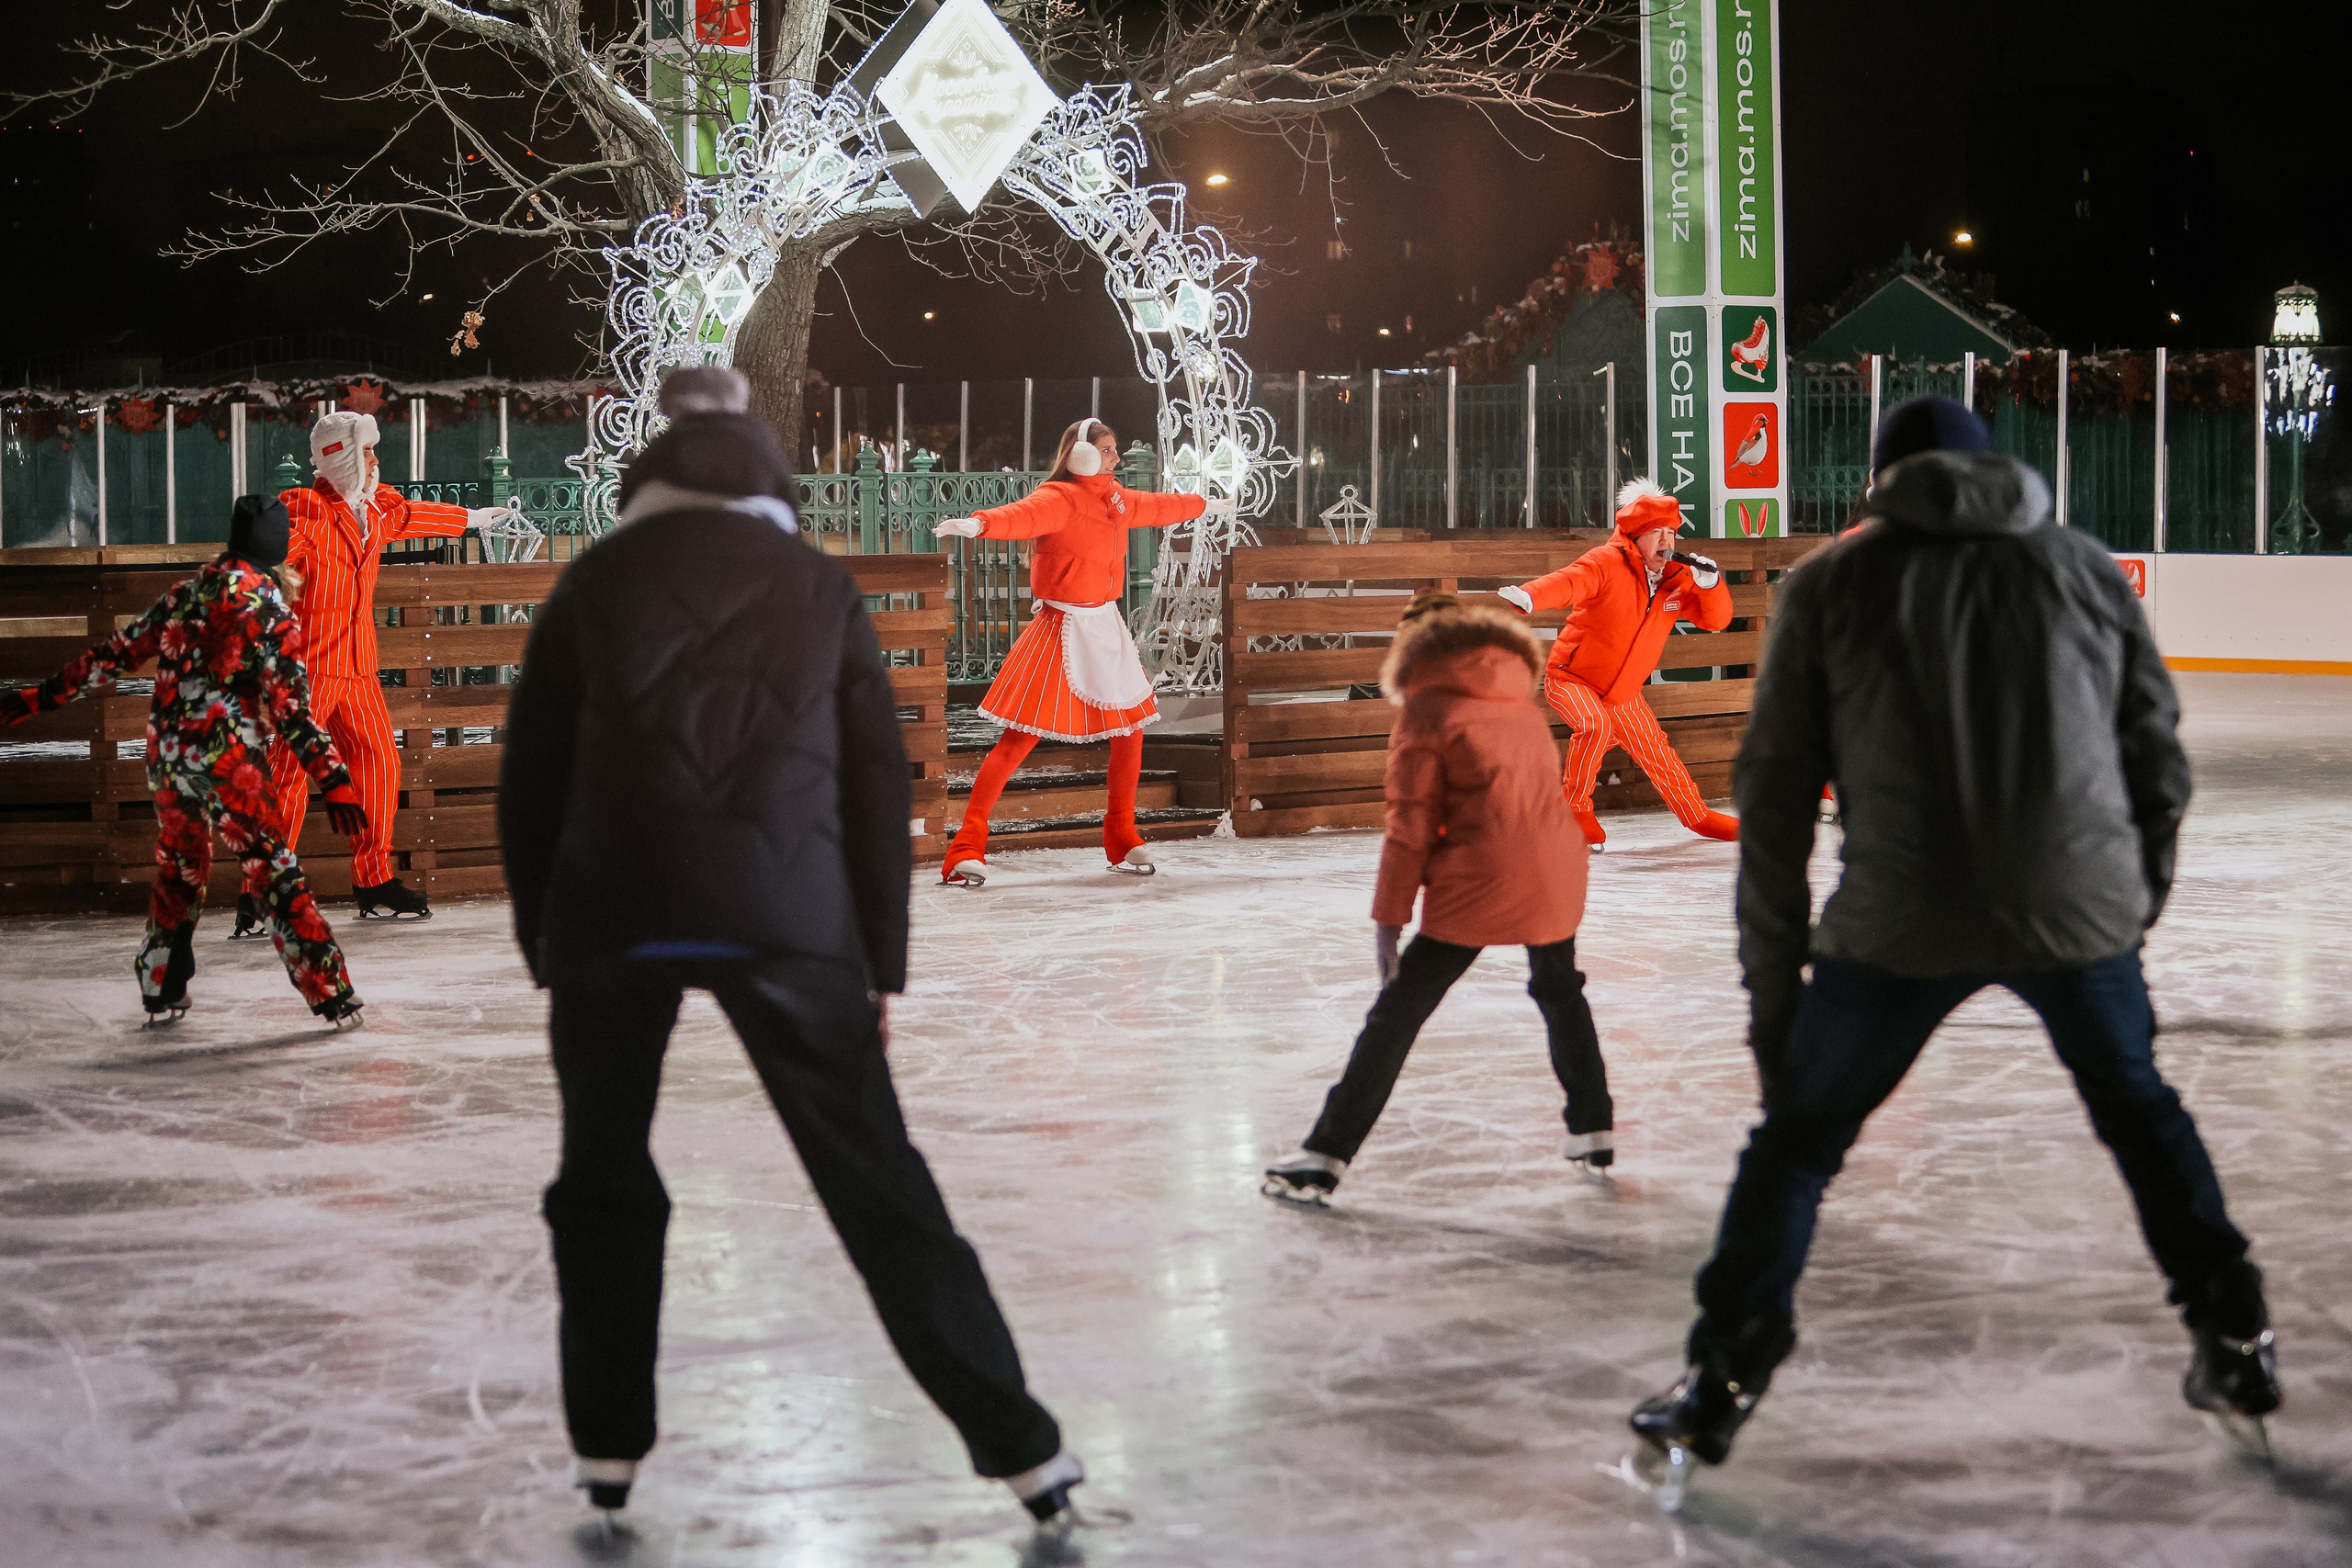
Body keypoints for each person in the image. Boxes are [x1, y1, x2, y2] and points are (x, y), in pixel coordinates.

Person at [1629, 396, 2279, 1475]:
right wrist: (2128, 905)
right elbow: (2156, 756)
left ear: (1880, 481)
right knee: (2142, 1115)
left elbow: (1774, 800)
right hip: (2073, 913)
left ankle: (1722, 1381)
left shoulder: (1828, 585)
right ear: (1994, 469)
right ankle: (2234, 1336)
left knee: (1796, 1145)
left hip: (1895, 920)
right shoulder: (2079, 567)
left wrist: (1770, 994)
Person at [498, 368, 1082, 1529]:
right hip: (793, 915)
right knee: (876, 1181)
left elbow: (531, 776)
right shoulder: (818, 585)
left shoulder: (596, 578)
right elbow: (877, 782)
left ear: (649, 473)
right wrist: (876, 964)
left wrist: (547, 943)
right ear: (769, 478)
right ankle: (1023, 1450)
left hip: (614, 916)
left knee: (603, 1181)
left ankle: (606, 1450)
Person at [1261, 592, 1612, 1203]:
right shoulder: (1518, 700)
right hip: (1558, 866)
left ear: (1416, 647)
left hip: (1485, 873)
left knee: (1396, 1012)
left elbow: (1410, 825)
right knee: (1559, 987)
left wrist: (1388, 921)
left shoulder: (1427, 708)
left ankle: (1325, 1151)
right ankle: (1593, 1125)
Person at [0, 496, 368, 1026]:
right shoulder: (270, 612)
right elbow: (292, 711)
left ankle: (161, 980)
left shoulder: (183, 597)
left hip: (168, 755)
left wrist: (44, 695)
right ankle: (328, 988)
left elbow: (115, 654)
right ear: (277, 549)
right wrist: (333, 778)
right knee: (271, 866)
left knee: (181, 866)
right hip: (229, 760)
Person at [249, 410, 514, 931]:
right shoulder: (307, 515)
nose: (376, 459)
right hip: (309, 671)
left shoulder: (373, 511)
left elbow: (415, 515)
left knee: (379, 767)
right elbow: (268, 559)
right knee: (289, 774)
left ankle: (372, 878)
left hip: (359, 669)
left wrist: (475, 519)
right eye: (367, 451)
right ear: (343, 458)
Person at [933, 418, 1227, 886]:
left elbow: (1158, 506)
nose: (1116, 458)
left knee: (1130, 734)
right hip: (1062, 627)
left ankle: (1122, 835)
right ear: (1081, 454)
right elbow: (1021, 516)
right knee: (1018, 740)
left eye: (1114, 450)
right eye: (1107, 450)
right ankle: (966, 845)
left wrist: (1204, 503)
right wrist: (979, 524)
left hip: (1105, 626)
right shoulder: (1061, 498)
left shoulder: (1115, 499)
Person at [1498, 479, 1737, 848]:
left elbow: (1716, 621)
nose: (1665, 541)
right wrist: (1529, 596)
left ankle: (1698, 816)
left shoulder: (1677, 580)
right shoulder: (1606, 562)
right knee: (1594, 725)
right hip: (1572, 678)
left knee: (1658, 754)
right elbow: (1569, 582)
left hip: (1623, 691)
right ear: (1635, 536)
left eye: (1671, 532)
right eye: (1655, 532)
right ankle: (1574, 810)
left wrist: (1710, 585)